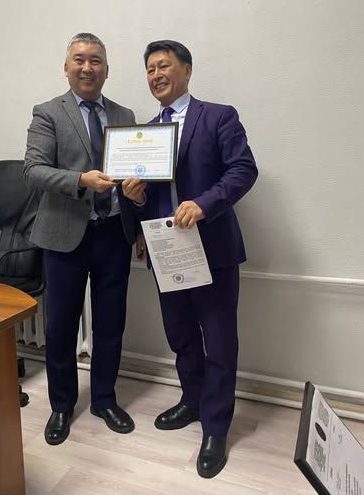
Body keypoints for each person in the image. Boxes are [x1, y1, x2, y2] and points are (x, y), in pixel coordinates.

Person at [122, 40, 258, 478]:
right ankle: (193, 401)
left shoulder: (218, 116)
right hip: (166, 251)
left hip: (212, 248)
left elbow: (243, 170)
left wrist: (204, 204)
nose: (155, 75)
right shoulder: (145, 134)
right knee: (180, 335)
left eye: (163, 66)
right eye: (149, 69)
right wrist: (135, 199)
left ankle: (216, 427)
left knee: (219, 340)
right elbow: (147, 197)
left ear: (187, 70)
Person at [24, 33, 143, 445]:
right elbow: (33, 170)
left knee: (111, 323)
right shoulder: (48, 113)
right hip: (63, 237)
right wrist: (80, 180)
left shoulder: (125, 114)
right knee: (60, 326)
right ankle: (61, 405)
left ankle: (104, 399)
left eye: (96, 60)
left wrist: (138, 210)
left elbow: (135, 173)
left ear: (107, 70)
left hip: (114, 234)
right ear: (66, 67)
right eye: (80, 59)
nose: (88, 67)